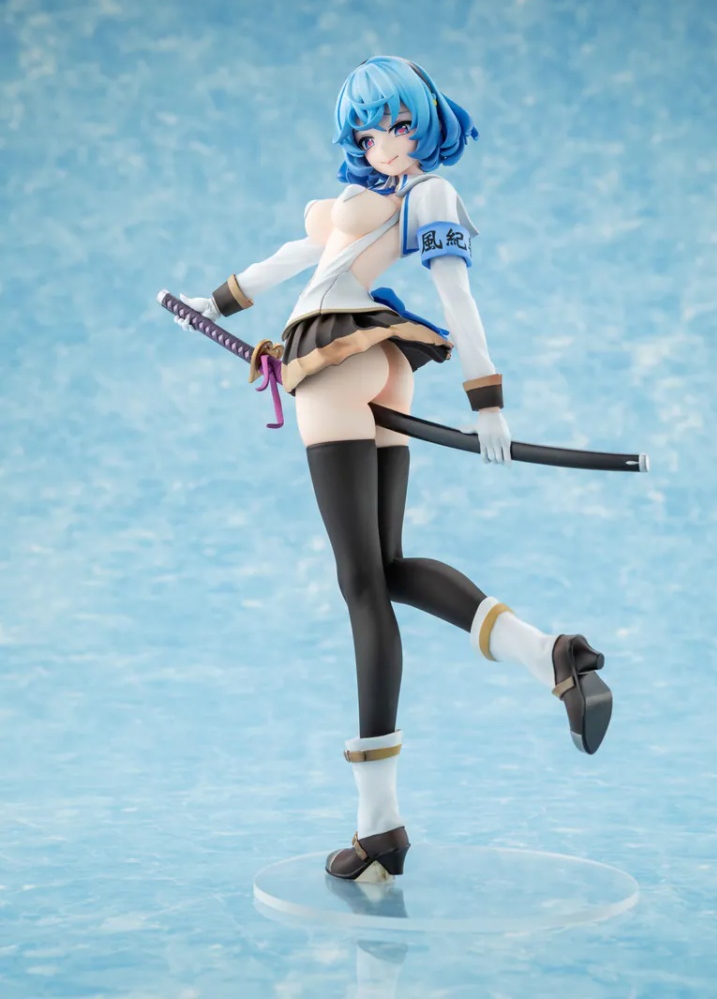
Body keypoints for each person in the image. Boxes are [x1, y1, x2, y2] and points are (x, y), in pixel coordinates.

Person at [175, 56, 612, 883]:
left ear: (427, 123)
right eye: (370, 130)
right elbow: (294, 254)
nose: (386, 142)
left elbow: (457, 297)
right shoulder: (368, 197)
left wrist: (488, 401)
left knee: (361, 586)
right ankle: (549, 653)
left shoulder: (429, 194)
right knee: (387, 569)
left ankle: (379, 825)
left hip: (335, 364)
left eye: (401, 125)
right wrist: (216, 302)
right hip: (381, 363)